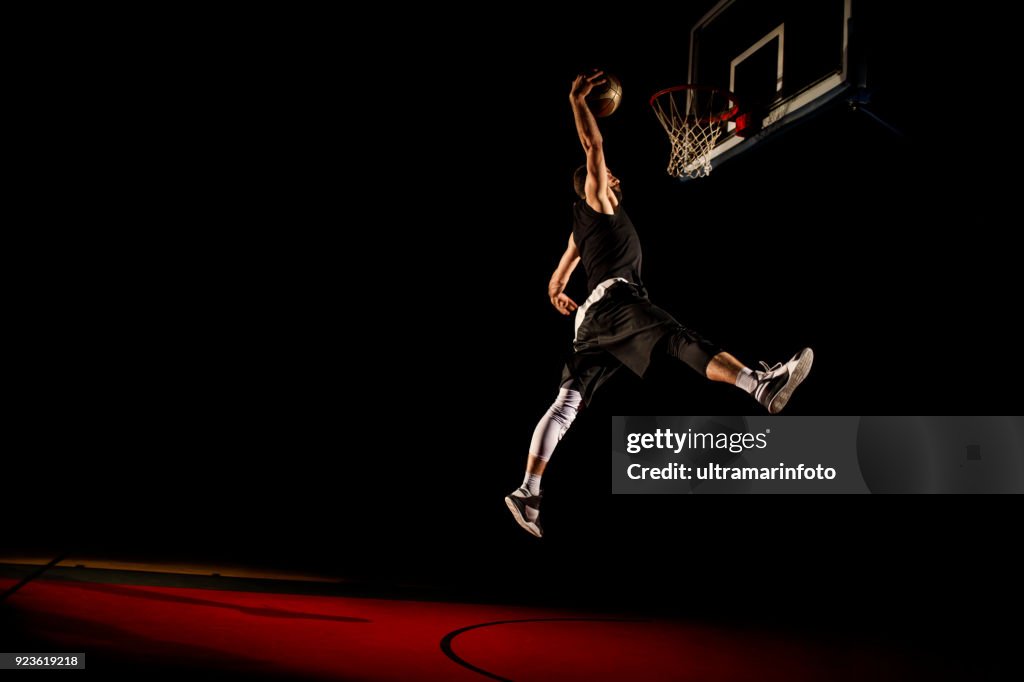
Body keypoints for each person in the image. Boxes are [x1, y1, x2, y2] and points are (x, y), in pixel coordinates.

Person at [505, 71, 814, 538]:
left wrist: (556, 292)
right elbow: (591, 146)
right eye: (606, 174)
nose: (611, 173)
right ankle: (758, 385)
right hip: (613, 302)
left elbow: (557, 275)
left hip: (589, 322)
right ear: (593, 184)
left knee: (567, 403)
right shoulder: (598, 200)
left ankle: (529, 490)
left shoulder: (581, 228)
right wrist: (577, 100)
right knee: (674, 339)